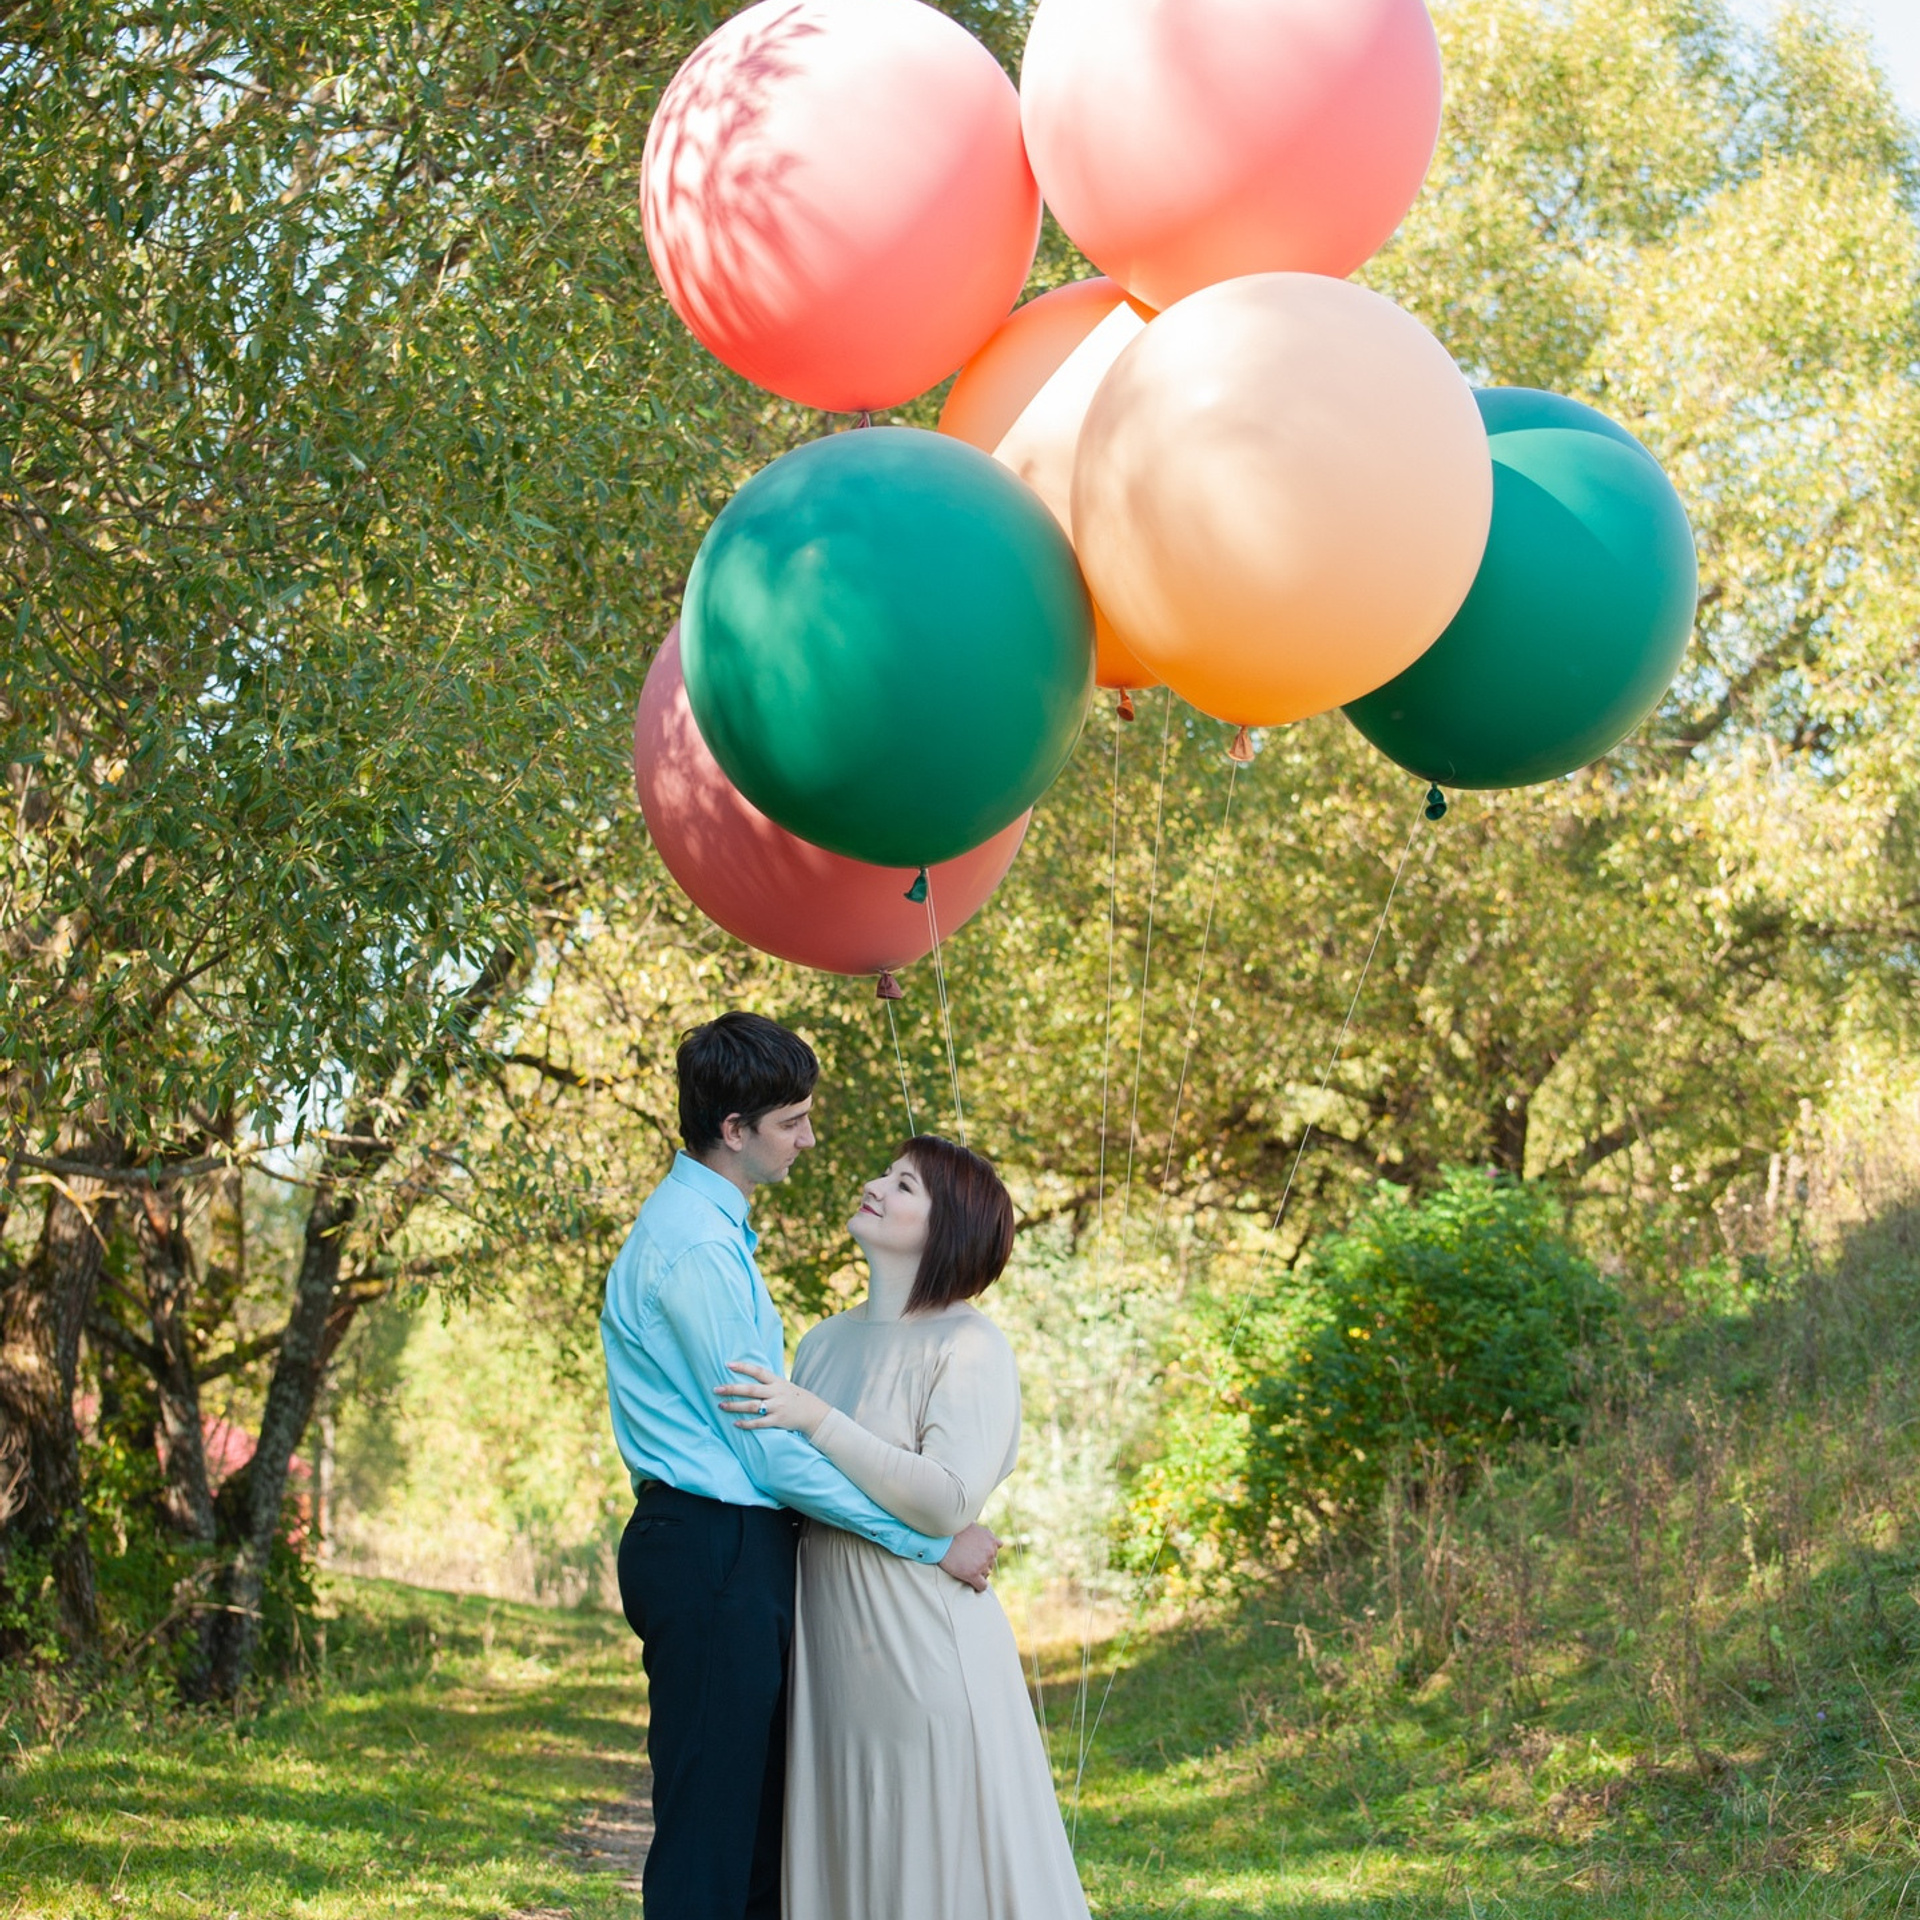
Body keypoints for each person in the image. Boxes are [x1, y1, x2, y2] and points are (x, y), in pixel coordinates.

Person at [601, 1015, 1001, 1920]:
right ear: (734, 1129)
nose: (810, 1140)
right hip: (712, 1547)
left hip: (729, 1549)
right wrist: (923, 1543)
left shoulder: (712, 1231)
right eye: (793, 1122)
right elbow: (768, 1450)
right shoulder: (699, 1249)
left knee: (752, 1842)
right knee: (711, 1841)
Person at [718, 1134, 1092, 1920]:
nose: (876, 1186)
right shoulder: (822, 1342)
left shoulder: (970, 1344)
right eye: (884, 1173)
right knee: (849, 1849)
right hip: (832, 1647)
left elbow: (948, 1500)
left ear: (947, 1227)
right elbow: (800, 1483)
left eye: (906, 1186)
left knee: (930, 1857)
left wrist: (817, 1420)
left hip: (922, 1645)